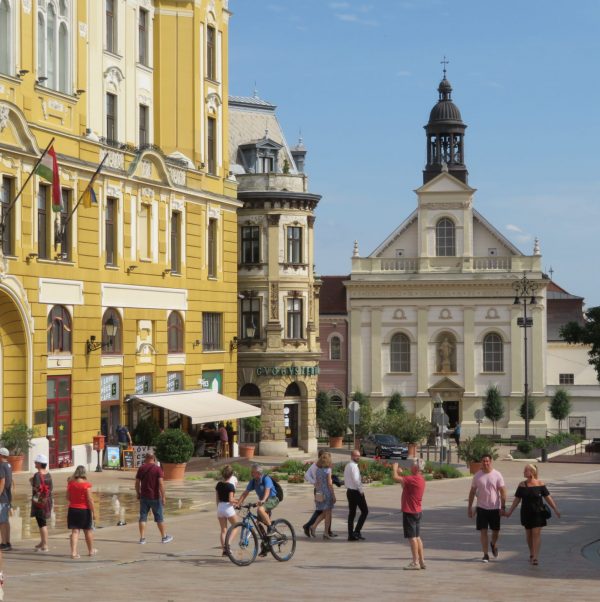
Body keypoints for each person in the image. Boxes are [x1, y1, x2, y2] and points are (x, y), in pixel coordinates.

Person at [504, 464, 561, 565]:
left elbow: (548, 497)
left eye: (526, 470)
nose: (524, 472)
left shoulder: (540, 484)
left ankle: (535, 557)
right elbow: (516, 500)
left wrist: (555, 509)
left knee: (536, 533)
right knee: (529, 535)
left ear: (532, 472)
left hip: (538, 513)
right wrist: (509, 512)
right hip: (526, 512)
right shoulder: (522, 485)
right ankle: (531, 553)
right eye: (524, 470)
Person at [467, 453, 506, 562]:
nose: (485, 463)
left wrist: (503, 506)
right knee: (483, 531)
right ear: (481, 462)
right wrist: (470, 507)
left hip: (494, 507)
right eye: (483, 461)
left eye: (487, 461)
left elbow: (503, 491)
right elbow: (472, 491)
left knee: (496, 531)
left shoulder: (497, 475)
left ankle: (493, 544)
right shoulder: (477, 475)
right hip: (481, 508)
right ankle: (485, 554)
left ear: (491, 461)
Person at [393, 459, 426, 570]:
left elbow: (395, 478)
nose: (410, 467)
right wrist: (402, 474)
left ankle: (415, 562)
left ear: (416, 468)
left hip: (409, 511)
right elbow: (405, 486)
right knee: (417, 537)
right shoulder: (420, 479)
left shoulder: (412, 479)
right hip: (417, 511)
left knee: (412, 538)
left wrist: (394, 468)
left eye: (412, 465)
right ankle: (421, 561)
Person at [135, 452, 173, 544]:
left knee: (143, 517)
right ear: (154, 459)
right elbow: (161, 484)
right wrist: (163, 496)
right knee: (159, 517)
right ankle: (164, 537)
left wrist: (138, 493)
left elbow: (136, 483)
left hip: (144, 497)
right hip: (155, 497)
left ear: (146, 458)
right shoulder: (158, 469)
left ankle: (142, 538)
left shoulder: (141, 468)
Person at [237, 464, 279, 533]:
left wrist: (263, 500)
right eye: (251, 472)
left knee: (260, 509)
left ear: (258, 473)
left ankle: (271, 528)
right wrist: (238, 503)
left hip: (272, 499)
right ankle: (266, 539)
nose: (251, 473)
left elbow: (267, 491)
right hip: (263, 502)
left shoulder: (266, 479)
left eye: (253, 472)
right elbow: (245, 493)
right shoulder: (253, 481)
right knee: (258, 522)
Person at [66, 465, 97, 559]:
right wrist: (94, 512)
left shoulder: (71, 484)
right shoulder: (86, 485)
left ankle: (73, 553)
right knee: (88, 531)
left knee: (75, 531)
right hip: (84, 510)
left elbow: (67, 497)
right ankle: (91, 550)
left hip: (73, 509)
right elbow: (90, 500)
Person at [310, 452, 336, 540]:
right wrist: (333, 495)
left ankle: (314, 526)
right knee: (328, 513)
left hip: (319, 493)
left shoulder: (318, 470)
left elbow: (317, 483)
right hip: (327, 493)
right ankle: (325, 532)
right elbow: (329, 483)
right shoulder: (328, 470)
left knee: (324, 513)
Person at [30, 454, 53, 553]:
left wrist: (31, 482)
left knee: (42, 523)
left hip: (39, 501)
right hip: (47, 500)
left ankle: (45, 545)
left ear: (39, 464)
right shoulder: (48, 474)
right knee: (42, 522)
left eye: (36, 462)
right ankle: (42, 542)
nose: (35, 463)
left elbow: (37, 488)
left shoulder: (37, 475)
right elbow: (51, 488)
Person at [344, 449, 368, 541]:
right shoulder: (353, 466)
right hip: (356, 492)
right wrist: (361, 491)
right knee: (365, 511)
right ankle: (356, 531)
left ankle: (351, 535)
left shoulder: (347, 465)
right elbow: (356, 480)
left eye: (359, 455)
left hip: (349, 491)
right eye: (356, 455)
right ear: (352, 456)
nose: (358, 457)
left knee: (352, 513)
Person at [215, 465, 238, 556]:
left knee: (223, 530)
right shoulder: (230, 486)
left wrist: (218, 508)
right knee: (236, 526)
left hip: (220, 507)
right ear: (231, 475)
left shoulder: (218, 485)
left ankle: (224, 550)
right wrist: (238, 501)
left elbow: (217, 498)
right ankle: (228, 545)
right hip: (228, 507)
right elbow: (231, 500)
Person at [0, 448, 14, 551]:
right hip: (8, 497)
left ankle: (4, 543)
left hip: (2, 497)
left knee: (2, 521)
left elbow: (2, 482)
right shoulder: (9, 466)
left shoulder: (1, 466)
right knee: (6, 521)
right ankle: (8, 542)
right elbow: (12, 481)